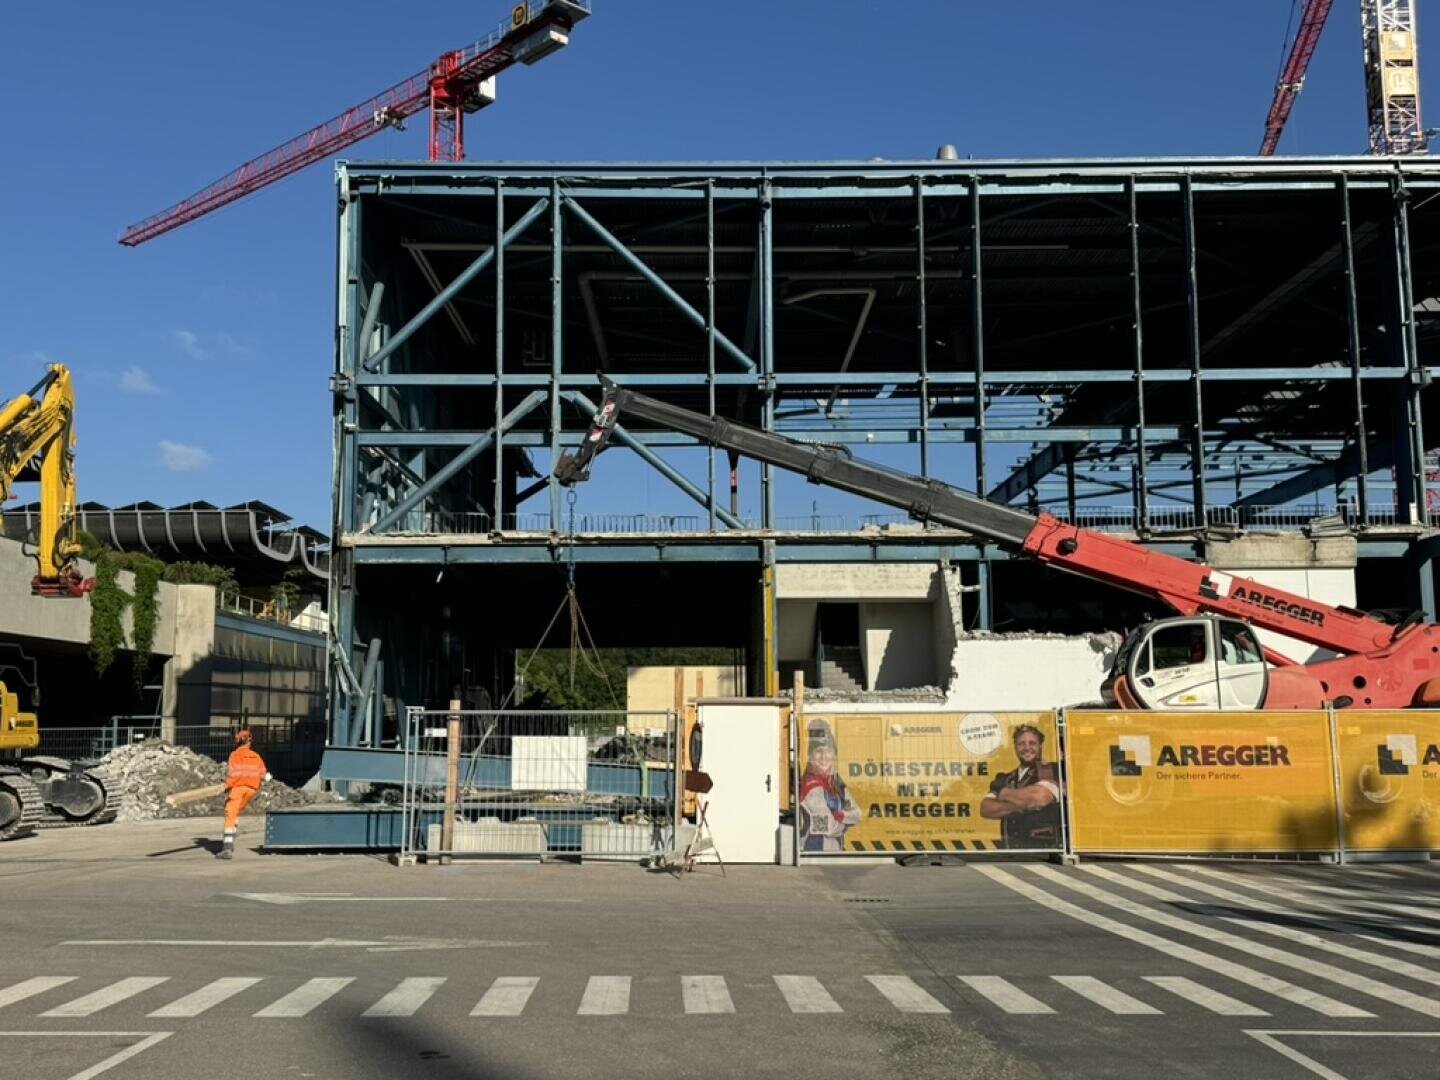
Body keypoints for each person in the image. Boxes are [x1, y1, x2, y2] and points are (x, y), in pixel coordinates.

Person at [979, 724, 1061, 849]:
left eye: (1032, 743)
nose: (1027, 748)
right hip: (1010, 851)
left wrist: (1004, 794)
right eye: (1021, 744)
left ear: (1040, 746)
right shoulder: (1004, 778)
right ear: (1015, 748)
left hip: (1044, 852)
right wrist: (1025, 803)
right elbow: (986, 809)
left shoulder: (1052, 770)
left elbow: (1037, 798)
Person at [798, 720, 861, 852]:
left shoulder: (835, 781)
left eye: (828, 751)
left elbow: (857, 814)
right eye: (818, 751)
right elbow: (827, 827)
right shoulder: (811, 786)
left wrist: (840, 815)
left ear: (834, 755)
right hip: (815, 851)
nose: (824, 756)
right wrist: (847, 823)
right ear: (810, 756)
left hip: (835, 850)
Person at [218, 729, 270, 860]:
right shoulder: (256, 756)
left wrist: (227, 786)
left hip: (238, 788)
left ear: (238, 741)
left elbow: (234, 774)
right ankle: (230, 842)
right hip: (252, 790)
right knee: (236, 813)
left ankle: (227, 849)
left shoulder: (235, 755)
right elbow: (264, 774)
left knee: (230, 813)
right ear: (249, 741)